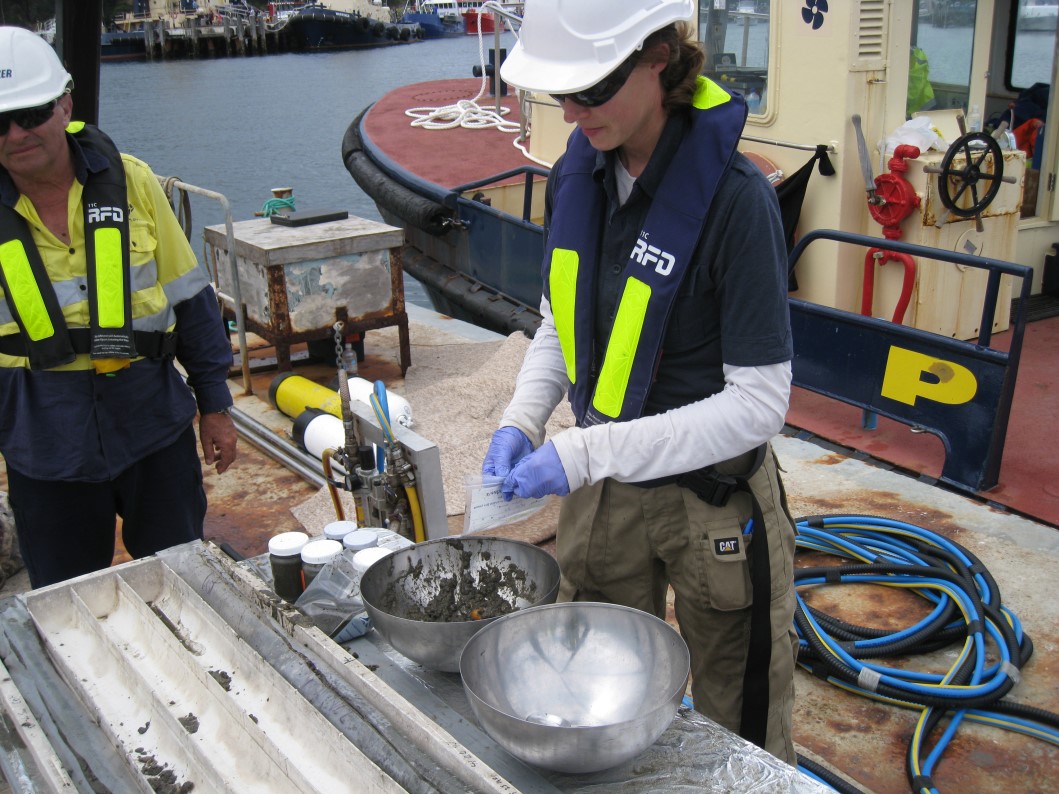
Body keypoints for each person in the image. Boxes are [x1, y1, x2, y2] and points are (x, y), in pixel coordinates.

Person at [483, 0, 799, 763]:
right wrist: (520, 421)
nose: (570, 111)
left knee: (738, 725)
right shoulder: (575, 178)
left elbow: (759, 403)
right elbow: (562, 325)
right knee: (589, 689)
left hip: (711, 501)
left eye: (590, 89)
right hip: (606, 492)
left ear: (659, 59)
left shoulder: (735, 201)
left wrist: (582, 457)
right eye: (561, 93)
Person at [0, 27, 237, 588]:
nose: (14, 135)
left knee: (181, 577)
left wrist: (216, 407)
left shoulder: (131, 180)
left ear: (64, 105)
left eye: (30, 114)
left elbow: (191, 300)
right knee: (67, 596)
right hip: (43, 437)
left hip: (150, 418)